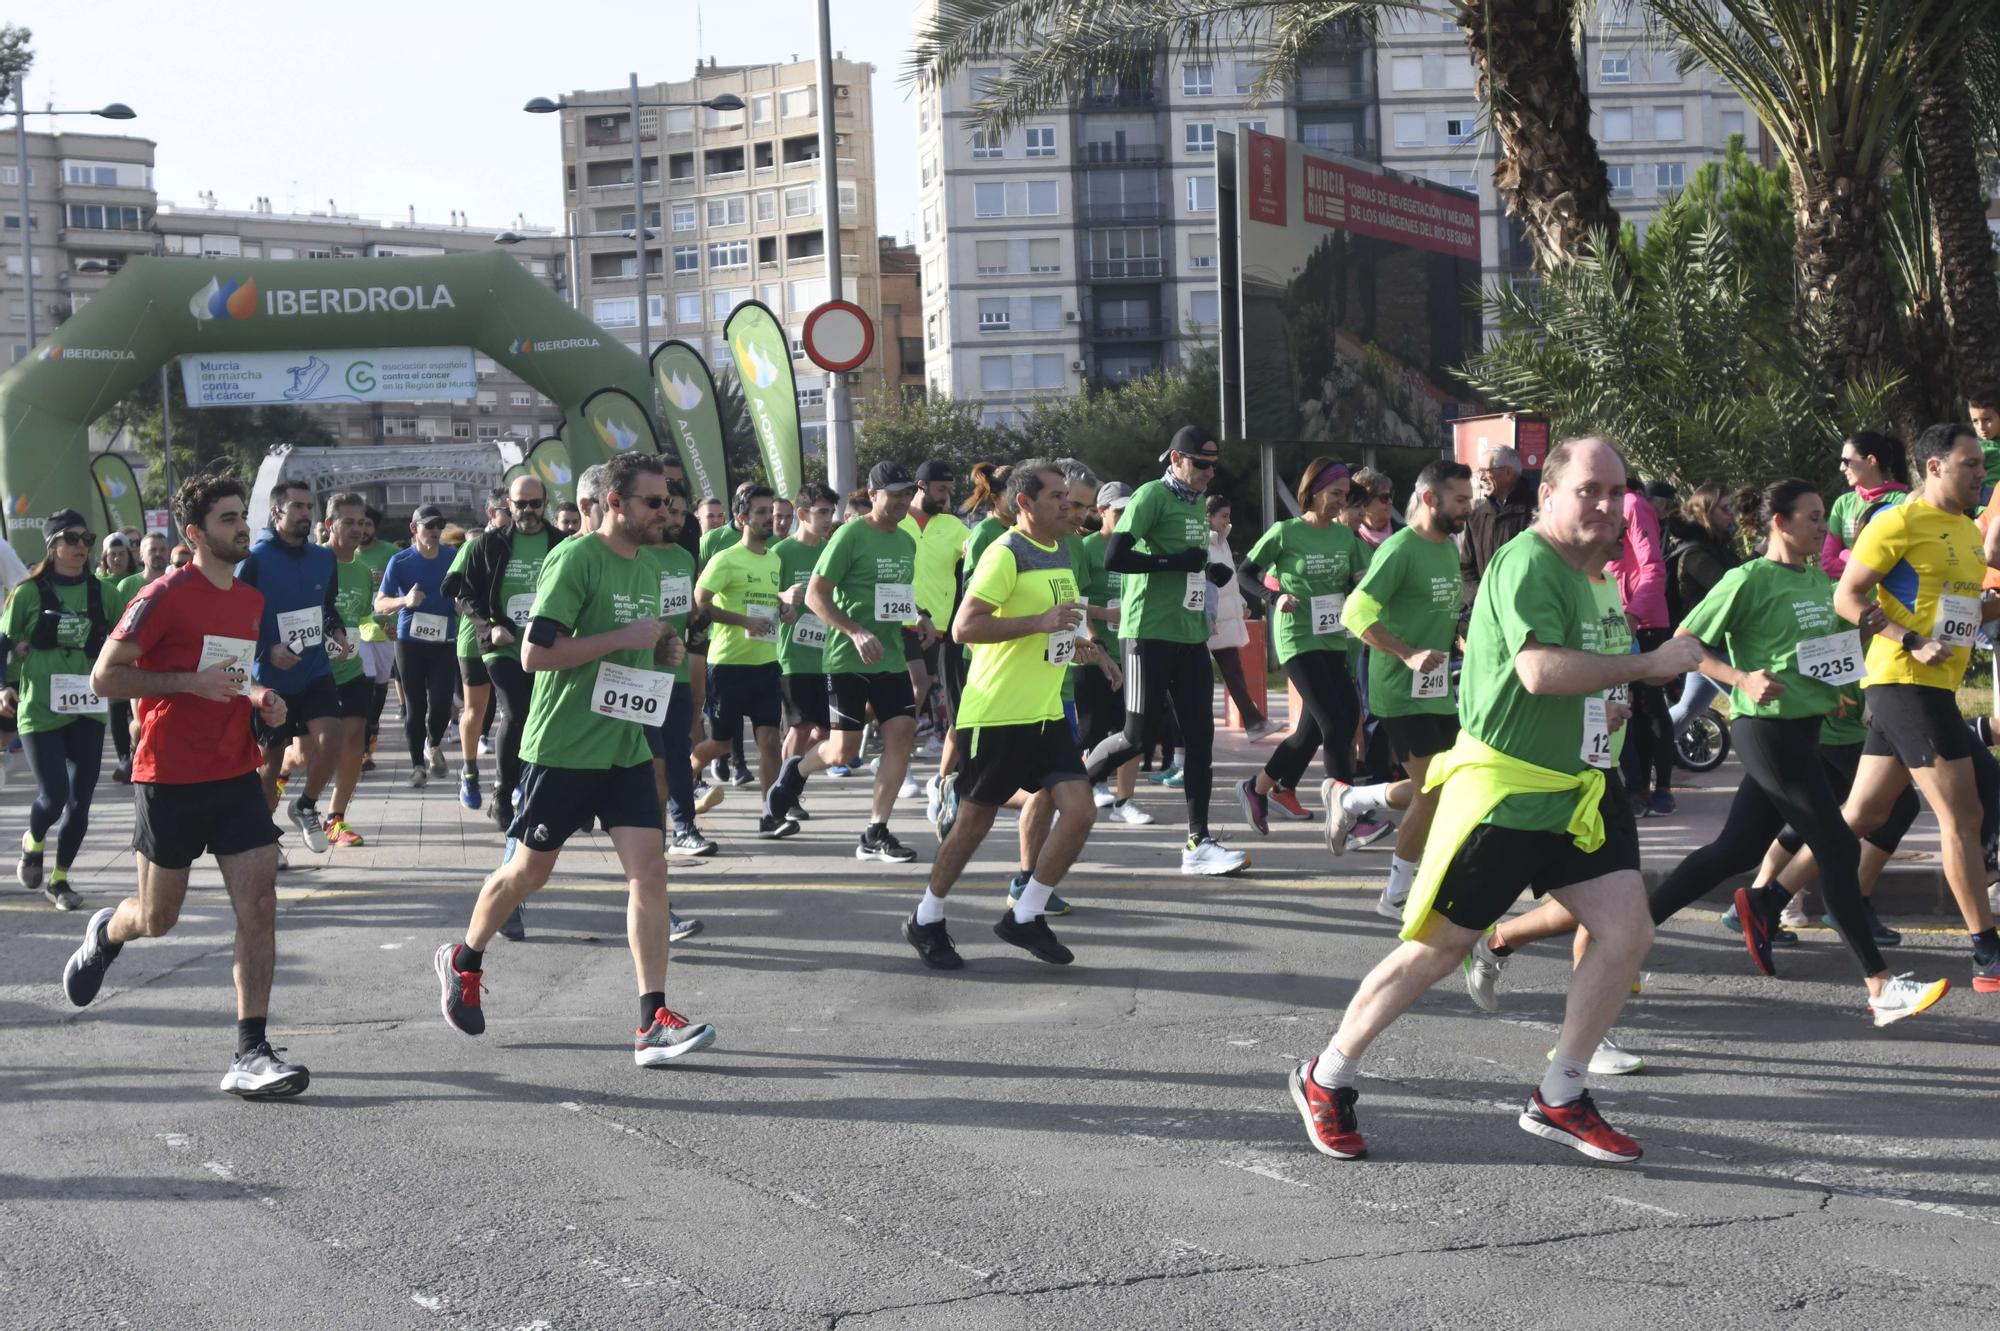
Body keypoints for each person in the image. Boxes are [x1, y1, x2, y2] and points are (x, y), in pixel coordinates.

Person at [1290, 437, 1703, 1165]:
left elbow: (1578, 674)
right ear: (1548, 493)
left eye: (1616, 492)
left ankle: (1562, 1093)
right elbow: (1540, 670)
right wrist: (1645, 664)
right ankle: (1327, 1075)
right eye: (1589, 490)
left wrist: (1608, 700)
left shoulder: (1601, 577)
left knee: (1627, 928)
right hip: (1505, 792)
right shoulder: (1527, 561)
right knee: (1437, 952)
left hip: (1580, 787)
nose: (1606, 505)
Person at [1475, 478, 1951, 1030]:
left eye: (1824, 517)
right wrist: (1740, 678)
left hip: (1806, 732)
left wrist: (1858, 648)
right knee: (1837, 848)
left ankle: (1613, 937)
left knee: (1731, 851)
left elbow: (1820, 653)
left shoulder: (1821, 582)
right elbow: (1687, 643)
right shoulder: (1745, 579)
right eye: (1814, 516)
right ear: (1780, 522)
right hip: (1766, 733)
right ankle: (1880, 987)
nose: (1824, 526)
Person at [434, 452, 713, 1065]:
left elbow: (651, 635)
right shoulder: (574, 558)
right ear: (614, 504)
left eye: (667, 501)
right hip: (561, 748)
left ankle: (651, 1020)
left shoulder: (648, 564)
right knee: (528, 874)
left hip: (624, 746)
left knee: (651, 872)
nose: (665, 512)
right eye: (653, 502)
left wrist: (663, 648)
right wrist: (622, 640)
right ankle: (465, 959)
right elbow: (536, 655)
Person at [65, 473, 307, 1099]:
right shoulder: (163, 594)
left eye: (240, 517)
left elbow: (226, 674)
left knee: (259, 906)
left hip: (233, 772)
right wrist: (183, 684)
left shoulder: (248, 600)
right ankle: (108, 932)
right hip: (168, 776)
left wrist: (261, 696)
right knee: (158, 917)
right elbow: (104, 679)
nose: (241, 528)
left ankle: (251, 1050)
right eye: (227, 519)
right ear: (196, 533)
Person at [902, 461, 1100, 970]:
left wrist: (1080, 648)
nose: (1066, 503)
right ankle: (926, 918)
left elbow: (1059, 626)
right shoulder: (1005, 552)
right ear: (1025, 504)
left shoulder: (1061, 550)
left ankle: (1026, 914)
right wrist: (1040, 622)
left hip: (1046, 711)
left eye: (1067, 496)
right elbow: (965, 627)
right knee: (973, 823)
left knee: (1080, 811)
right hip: (996, 714)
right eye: (1056, 495)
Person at [1834, 422, 2000, 993]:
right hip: (1904, 682)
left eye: (1981, 464)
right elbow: (1847, 597)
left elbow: (1960, 612)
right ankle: (1985, 951)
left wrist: (1989, 608)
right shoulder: (1897, 521)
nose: (1981, 472)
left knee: (1862, 814)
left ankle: (1767, 896)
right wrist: (1910, 640)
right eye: (1970, 463)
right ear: (1935, 467)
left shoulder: (1968, 532)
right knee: (1966, 813)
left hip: (1937, 688)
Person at [1082, 426, 1250, 876]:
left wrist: (1208, 571)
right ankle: (1069, 789)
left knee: (1201, 741)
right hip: (1146, 633)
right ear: (1177, 460)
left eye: (1214, 465)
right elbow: (1115, 558)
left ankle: (1198, 842)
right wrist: (1173, 564)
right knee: (1136, 736)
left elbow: (1185, 562)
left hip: (1190, 634)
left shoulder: (1197, 504)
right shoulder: (1152, 496)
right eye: (1201, 464)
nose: (1209, 473)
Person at [1323, 460, 1476, 916]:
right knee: (1432, 791)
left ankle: (1350, 798)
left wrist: (1463, 641)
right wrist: (1406, 653)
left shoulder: (1448, 546)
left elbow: (1440, 615)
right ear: (1430, 499)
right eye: (1461, 500)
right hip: (1398, 690)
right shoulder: (1400, 549)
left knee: (1453, 785)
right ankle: (1396, 894)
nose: (1469, 508)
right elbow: (1355, 613)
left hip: (1436, 690)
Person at [763, 462, 924, 863]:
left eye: (908, 494)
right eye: (895, 494)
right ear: (873, 495)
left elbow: (895, 592)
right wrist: (854, 631)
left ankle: (876, 830)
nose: (903, 501)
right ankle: (795, 772)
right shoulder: (850, 535)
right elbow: (816, 596)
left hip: (888, 657)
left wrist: (919, 614)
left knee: (902, 732)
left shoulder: (907, 540)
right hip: (846, 658)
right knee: (841, 752)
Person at [1233, 459, 1369, 844]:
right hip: (1297, 638)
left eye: (1345, 496)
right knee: (1336, 724)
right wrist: (1275, 597)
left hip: (1332, 638)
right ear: (1313, 491)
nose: (1340, 503)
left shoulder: (1345, 539)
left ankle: (1257, 788)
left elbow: (1363, 579)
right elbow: (1246, 572)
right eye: (1335, 494)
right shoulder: (1285, 532)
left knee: (1311, 733)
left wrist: (1360, 583)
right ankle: (1348, 817)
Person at [4, 510, 114, 909]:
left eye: (87, 538)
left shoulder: (103, 592)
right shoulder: (28, 592)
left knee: (79, 802)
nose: (82, 546)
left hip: (87, 704)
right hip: (40, 709)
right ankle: (33, 844)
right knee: (53, 795)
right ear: (52, 546)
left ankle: (60, 879)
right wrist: (5, 686)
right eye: (72, 539)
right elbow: (4, 640)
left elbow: (133, 631)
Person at [237, 480, 347, 855]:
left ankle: (304, 805)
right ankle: (266, 837)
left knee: (334, 739)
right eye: (297, 507)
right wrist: (267, 651)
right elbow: (235, 620)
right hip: (271, 680)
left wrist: (337, 630)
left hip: (314, 669)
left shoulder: (323, 557)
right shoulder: (254, 560)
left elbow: (327, 606)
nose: (305, 514)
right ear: (276, 513)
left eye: (308, 507)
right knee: (271, 761)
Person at [448, 475, 564, 830]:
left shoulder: (562, 543)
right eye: (520, 504)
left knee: (544, 716)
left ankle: (542, 788)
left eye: (535, 503)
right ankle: (502, 792)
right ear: (508, 505)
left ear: (546, 504)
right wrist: (489, 626)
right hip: (502, 645)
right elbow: (464, 595)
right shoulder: (489, 544)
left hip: (548, 644)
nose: (527, 511)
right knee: (515, 711)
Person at [690, 484, 793, 835]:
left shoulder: (776, 558)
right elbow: (698, 603)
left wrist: (783, 609)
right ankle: (680, 780)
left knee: (769, 742)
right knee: (719, 743)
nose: (770, 519)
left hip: (766, 663)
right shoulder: (725, 559)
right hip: (728, 666)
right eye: (762, 513)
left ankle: (770, 815)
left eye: (772, 512)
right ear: (742, 518)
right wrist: (743, 621)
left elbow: (769, 601)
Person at [1078, 482, 1151, 826]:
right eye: (1118, 511)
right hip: (1094, 650)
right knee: (1093, 725)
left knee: (1130, 727)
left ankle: (1126, 801)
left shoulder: (1139, 548)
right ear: (1100, 511)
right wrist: (1099, 628)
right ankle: (1091, 784)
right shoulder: (1086, 548)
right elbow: (1070, 599)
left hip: (1133, 648)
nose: (1124, 518)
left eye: (1129, 511)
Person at [378, 504, 458, 790]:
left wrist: (463, 603)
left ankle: (433, 744)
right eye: (429, 526)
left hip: (444, 641)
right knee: (415, 707)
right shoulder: (400, 562)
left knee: (440, 704)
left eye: (440, 525)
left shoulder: (453, 557)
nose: (436, 531)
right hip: (410, 642)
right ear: (415, 529)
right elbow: (380, 603)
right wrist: (404, 601)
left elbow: (469, 588)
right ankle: (417, 767)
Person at [900, 460, 969, 776]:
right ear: (921, 486)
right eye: (941, 489)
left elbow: (979, 553)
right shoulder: (897, 522)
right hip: (897, 620)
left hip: (938, 628)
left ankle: (890, 746)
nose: (946, 496)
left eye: (950, 490)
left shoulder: (954, 526)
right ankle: (896, 750)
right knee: (918, 685)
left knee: (919, 688)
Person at [1611, 478, 1674, 816]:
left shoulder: (1633, 505)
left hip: (1644, 622)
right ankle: (1637, 790)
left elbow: (1653, 567)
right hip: (1614, 618)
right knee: (1624, 708)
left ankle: (1662, 789)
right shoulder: (1602, 507)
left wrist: (1634, 615)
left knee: (1651, 707)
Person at [773, 482, 838, 804]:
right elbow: (759, 598)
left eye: (831, 512)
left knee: (825, 733)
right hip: (794, 657)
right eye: (822, 512)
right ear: (802, 514)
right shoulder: (782, 552)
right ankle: (785, 795)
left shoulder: (831, 551)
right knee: (800, 728)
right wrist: (782, 599)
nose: (828, 519)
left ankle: (791, 780)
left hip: (828, 655)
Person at [1660, 482, 1742, 739]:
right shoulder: (1696, 553)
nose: (1732, 514)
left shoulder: (1717, 547)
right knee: (1749, 703)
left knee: (1689, 707)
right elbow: (1731, 589)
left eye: (1733, 508)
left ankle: (1648, 756)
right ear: (1706, 512)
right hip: (1708, 644)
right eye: (1726, 508)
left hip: (1712, 643)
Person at [318, 494, 376, 848]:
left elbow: (360, 617)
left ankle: (335, 819)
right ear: (329, 525)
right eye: (349, 522)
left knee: (354, 741)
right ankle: (278, 781)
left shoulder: (361, 572)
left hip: (351, 669)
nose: (357, 529)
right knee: (306, 753)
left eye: (362, 522)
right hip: (312, 673)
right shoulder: (314, 564)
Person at [445, 490, 506, 810]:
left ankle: (511, 778)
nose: (511, 516)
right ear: (490, 512)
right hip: (475, 640)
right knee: (476, 710)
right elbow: (452, 590)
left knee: (517, 713)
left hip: (515, 641)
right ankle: (469, 771)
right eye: (504, 510)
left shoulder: (530, 545)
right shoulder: (474, 545)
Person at [1204, 494, 1271, 738]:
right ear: (1208, 516)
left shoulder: (1223, 542)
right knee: (1210, 677)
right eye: (1223, 516)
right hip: (1208, 620)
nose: (1227, 520)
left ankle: (1254, 721)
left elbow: (1230, 579)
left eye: (1228, 516)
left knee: (1233, 670)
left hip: (1224, 619)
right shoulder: (1202, 542)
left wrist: (1241, 602)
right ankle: (1253, 721)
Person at [1459, 444, 1533, 627]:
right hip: (1486, 617)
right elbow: (1466, 568)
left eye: (1486, 470)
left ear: (1508, 473)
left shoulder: (1536, 512)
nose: (1481, 477)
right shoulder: (1476, 516)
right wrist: (1479, 598)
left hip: (1526, 617)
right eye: (1480, 471)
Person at [1822, 432, 1910, 580]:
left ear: (1871, 461)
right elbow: (1828, 563)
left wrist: (1844, 554)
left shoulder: (1903, 502)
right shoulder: (1843, 504)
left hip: (1888, 600)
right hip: (1848, 599)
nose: (1841, 468)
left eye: (1846, 461)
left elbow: (1897, 563)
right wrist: (1872, 568)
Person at [352, 506, 398, 772]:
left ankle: (369, 748)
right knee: (365, 685)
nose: (362, 530)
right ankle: (357, 750)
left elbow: (405, 588)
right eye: (357, 524)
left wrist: (396, 620)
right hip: (354, 632)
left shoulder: (391, 553)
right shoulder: (337, 553)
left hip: (383, 632)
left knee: (379, 691)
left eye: (367, 524)